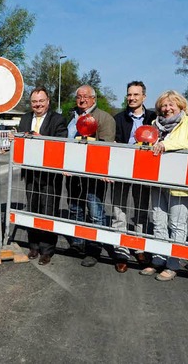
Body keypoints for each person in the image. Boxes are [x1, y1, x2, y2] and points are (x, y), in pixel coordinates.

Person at [139, 91, 188, 281]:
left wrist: (168, 144)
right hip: (156, 180)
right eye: (163, 106)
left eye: (171, 105)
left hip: (179, 181)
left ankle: (173, 263)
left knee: (177, 224)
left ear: (181, 106)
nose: (167, 109)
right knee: (158, 221)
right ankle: (158, 259)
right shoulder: (154, 125)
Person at [13, 87, 68, 265]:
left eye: (41, 101)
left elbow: (61, 144)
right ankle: (34, 246)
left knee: (48, 211)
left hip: (50, 176)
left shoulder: (58, 120)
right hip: (31, 173)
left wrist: (40, 138)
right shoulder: (25, 118)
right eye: (34, 102)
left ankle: (47, 250)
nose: (38, 105)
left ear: (48, 101)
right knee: (33, 209)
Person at [66, 85, 116, 268]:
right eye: (79, 96)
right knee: (75, 208)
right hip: (72, 174)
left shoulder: (104, 118)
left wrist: (100, 170)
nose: (82, 99)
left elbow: (106, 147)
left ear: (94, 98)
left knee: (95, 211)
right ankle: (78, 243)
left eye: (86, 96)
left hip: (93, 175)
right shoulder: (72, 117)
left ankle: (94, 248)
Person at [112, 81, 157, 272]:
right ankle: (121, 250)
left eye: (136, 95)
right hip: (122, 169)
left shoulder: (154, 117)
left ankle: (139, 248)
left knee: (141, 210)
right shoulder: (119, 118)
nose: (132, 98)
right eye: (129, 95)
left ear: (144, 97)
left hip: (144, 171)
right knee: (118, 210)